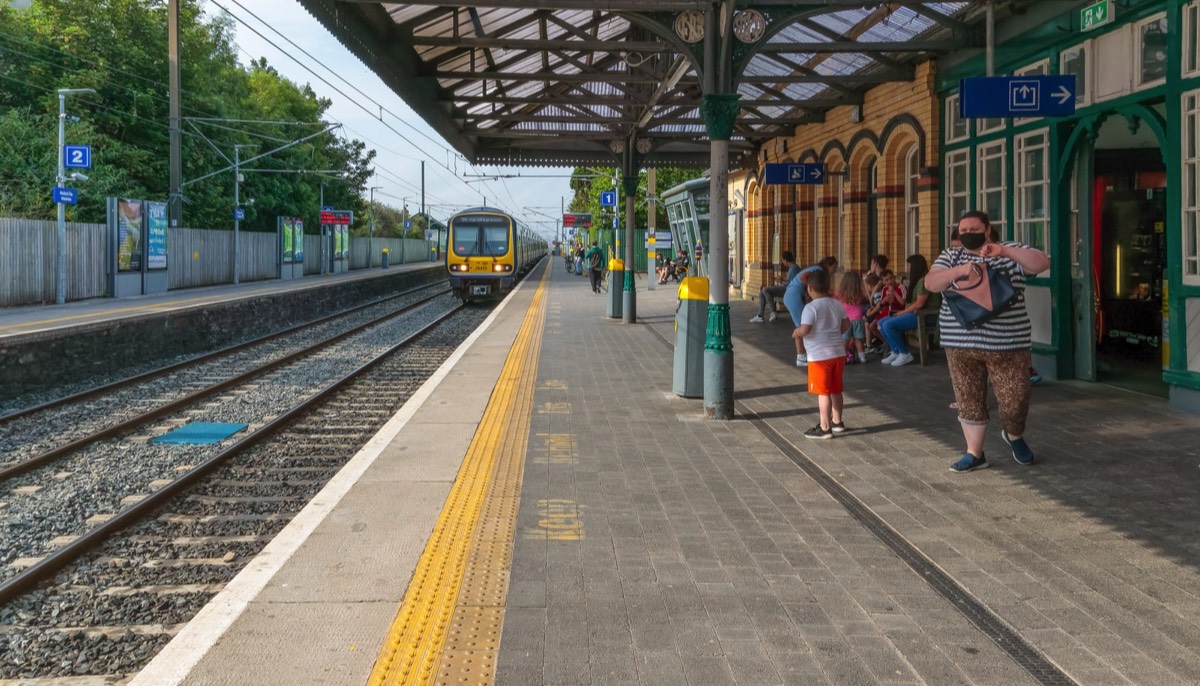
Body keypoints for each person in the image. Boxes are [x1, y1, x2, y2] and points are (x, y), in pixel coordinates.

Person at [925, 210, 1050, 473]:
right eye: (963, 230)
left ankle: (1014, 434)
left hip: (1008, 343)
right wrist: (959, 270)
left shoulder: (1011, 250)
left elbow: (1041, 263)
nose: (968, 234)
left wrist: (1003, 252)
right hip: (960, 343)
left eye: (974, 229)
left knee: (1016, 399)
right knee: (968, 398)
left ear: (988, 229)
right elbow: (931, 283)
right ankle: (975, 453)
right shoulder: (951, 255)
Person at [793, 268, 850, 439]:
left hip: (819, 357)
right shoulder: (836, 304)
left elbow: (806, 329)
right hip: (838, 353)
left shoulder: (810, 308)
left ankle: (825, 427)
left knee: (823, 392)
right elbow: (847, 325)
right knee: (836, 390)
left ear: (810, 288)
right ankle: (837, 422)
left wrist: (796, 333)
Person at [879, 254, 939, 367]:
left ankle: (904, 353)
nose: (907, 268)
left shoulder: (924, 281)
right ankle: (895, 351)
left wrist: (902, 312)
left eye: (909, 265)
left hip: (923, 316)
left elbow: (919, 304)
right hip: (913, 314)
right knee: (881, 323)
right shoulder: (918, 280)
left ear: (915, 266)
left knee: (888, 325)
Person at [785, 256, 838, 366]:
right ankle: (800, 356)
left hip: (792, 294)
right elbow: (803, 277)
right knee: (801, 325)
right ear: (829, 265)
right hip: (794, 296)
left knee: (802, 323)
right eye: (834, 268)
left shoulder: (816, 268)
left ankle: (802, 354)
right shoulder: (819, 270)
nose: (835, 271)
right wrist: (811, 288)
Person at [750, 251, 798, 323]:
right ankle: (760, 316)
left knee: (765, 290)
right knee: (762, 292)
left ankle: (773, 312)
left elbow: (791, 284)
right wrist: (781, 280)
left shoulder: (794, 268)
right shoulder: (791, 268)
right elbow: (789, 281)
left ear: (785, 260)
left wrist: (781, 282)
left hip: (787, 290)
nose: (782, 262)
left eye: (782, 260)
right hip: (785, 288)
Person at [836, 271, 869, 364]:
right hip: (858, 319)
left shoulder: (841, 294)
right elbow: (866, 299)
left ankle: (841, 356)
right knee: (858, 339)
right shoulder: (859, 293)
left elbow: (831, 294)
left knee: (845, 340)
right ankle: (862, 356)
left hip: (846, 320)